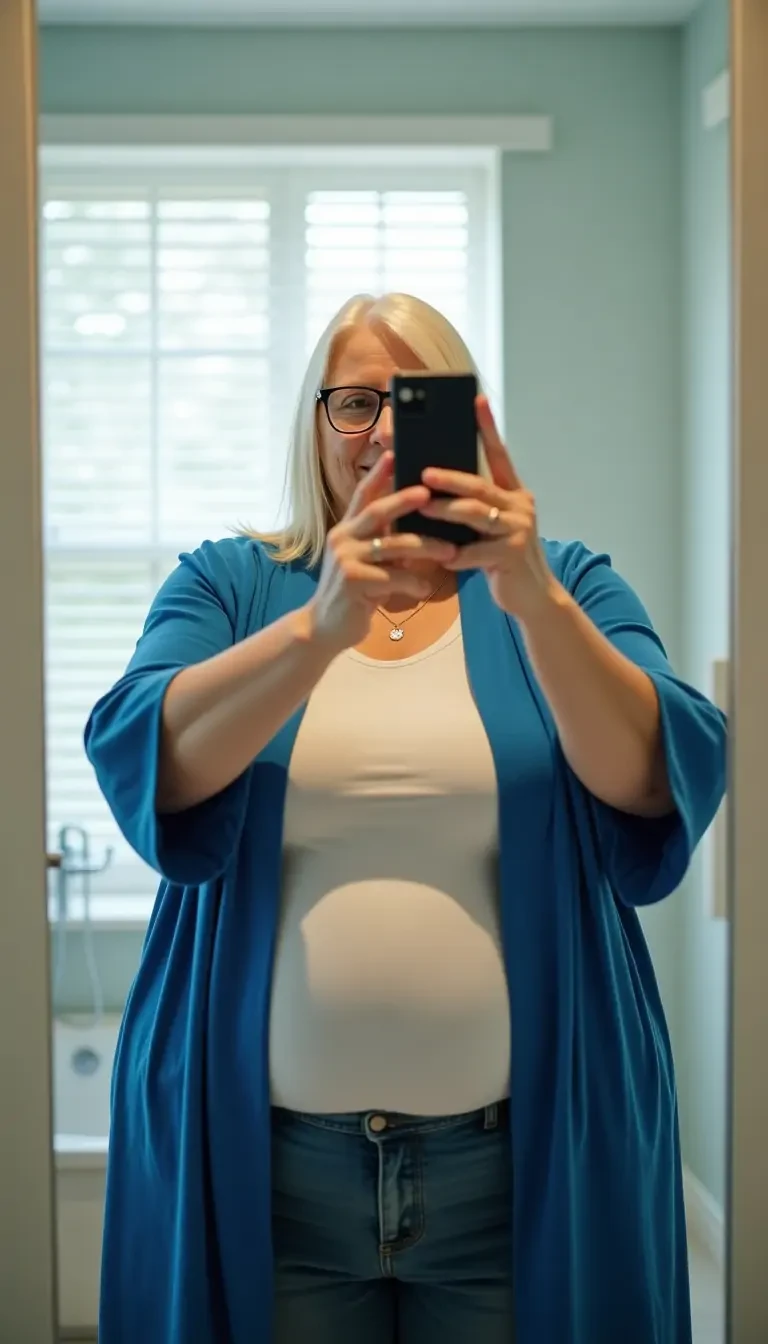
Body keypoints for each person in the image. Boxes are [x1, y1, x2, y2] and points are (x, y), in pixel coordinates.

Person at [86, 292, 726, 1344]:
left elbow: (653, 778)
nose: (382, 431)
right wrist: (318, 628)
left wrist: (532, 600)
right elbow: (149, 753)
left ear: (471, 423)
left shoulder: (561, 585)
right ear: (315, 423)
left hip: (518, 1172)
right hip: (268, 1174)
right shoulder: (233, 584)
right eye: (352, 403)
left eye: (415, 401)